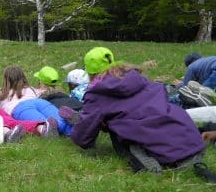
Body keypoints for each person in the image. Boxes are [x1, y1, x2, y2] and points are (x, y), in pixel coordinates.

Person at [70, 47, 205, 173]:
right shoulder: (136, 77)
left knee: (119, 127)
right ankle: (183, 157)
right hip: (191, 141)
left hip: (148, 136)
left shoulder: (97, 93)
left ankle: (138, 151)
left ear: (89, 72)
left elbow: (85, 132)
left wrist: (78, 135)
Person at [0, 65, 73, 136]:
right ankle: (73, 128)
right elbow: (44, 91)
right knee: (60, 119)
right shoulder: (30, 88)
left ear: (5, 80)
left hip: (21, 108)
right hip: (40, 102)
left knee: (43, 123)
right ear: (23, 77)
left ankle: (48, 130)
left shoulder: (1, 93)